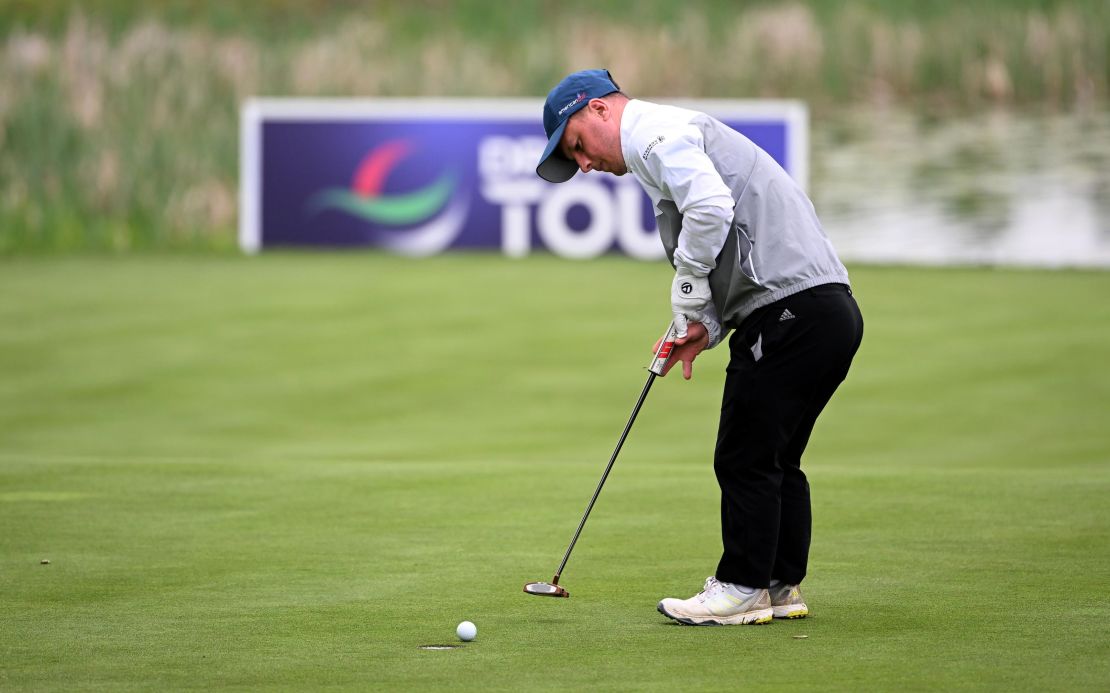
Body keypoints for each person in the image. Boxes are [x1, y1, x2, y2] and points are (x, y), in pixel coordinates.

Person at [536, 69, 864, 625]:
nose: (586, 165)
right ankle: (780, 586)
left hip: (789, 310)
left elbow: (711, 209)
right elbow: (727, 243)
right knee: (777, 457)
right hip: (825, 311)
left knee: (744, 453)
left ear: (596, 109)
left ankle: (740, 586)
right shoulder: (663, 141)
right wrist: (703, 326)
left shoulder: (654, 134)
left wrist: (685, 289)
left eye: (578, 147)